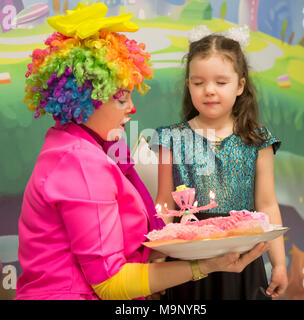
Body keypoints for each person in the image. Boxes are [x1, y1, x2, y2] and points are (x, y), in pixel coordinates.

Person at [15, 4, 270, 300]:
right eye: (121, 98)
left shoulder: (81, 145)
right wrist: (205, 265)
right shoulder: (82, 163)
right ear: (85, 100)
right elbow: (111, 284)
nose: (132, 108)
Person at [150, 25, 288, 300]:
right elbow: (165, 202)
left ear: (240, 86)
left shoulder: (257, 140)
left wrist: (281, 265)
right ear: (188, 85)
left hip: (243, 257)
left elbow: (267, 204)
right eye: (199, 83)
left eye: (220, 82)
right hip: (188, 258)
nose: (209, 91)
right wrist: (156, 259)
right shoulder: (171, 138)